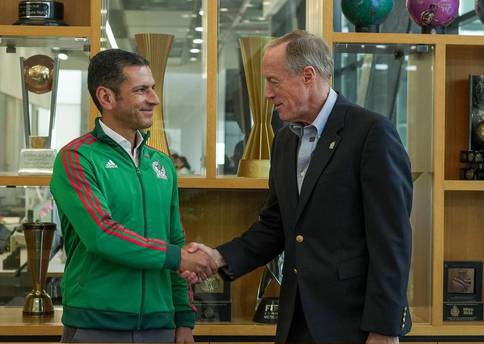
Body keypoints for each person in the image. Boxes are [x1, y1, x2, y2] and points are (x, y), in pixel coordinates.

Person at [184, 30, 413, 344]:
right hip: (296, 321)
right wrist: (218, 257)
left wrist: (385, 328)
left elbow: (392, 239)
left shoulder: (371, 133)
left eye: (273, 81)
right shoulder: (284, 140)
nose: (266, 93)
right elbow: (275, 226)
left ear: (308, 75)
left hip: (354, 326)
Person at [50, 49, 216, 343]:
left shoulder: (161, 164)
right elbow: (102, 235)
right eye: (141, 90)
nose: (154, 98)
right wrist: (176, 256)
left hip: (161, 326)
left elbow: (175, 240)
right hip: (95, 326)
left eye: (152, 88)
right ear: (106, 97)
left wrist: (184, 321)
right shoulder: (77, 158)